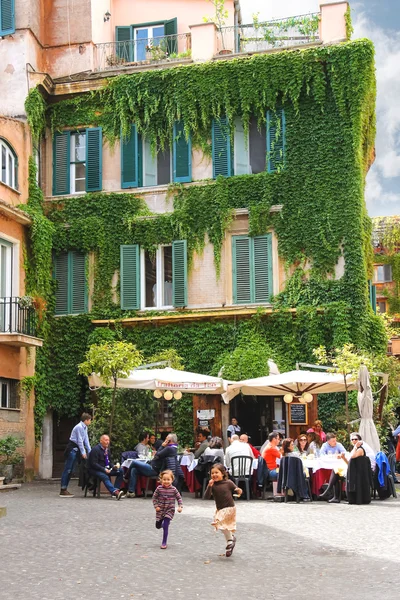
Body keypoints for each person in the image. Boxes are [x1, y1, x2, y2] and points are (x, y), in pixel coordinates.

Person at [204, 464, 242, 557]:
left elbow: (237, 490)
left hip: (229, 508)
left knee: (221, 524)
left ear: (223, 473)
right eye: (212, 473)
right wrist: (209, 486)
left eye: (217, 472)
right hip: (220, 509)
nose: (214, 475)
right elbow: (206, 497)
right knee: (223, 526)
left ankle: (230, 541)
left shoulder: (228, 483)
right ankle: (231, 540)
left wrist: (239, 491)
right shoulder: (213, 485)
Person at [60, 412, 92, 497]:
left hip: (76, 450)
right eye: (90, 420)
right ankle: (63, 489)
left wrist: (90, 451)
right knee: (68, 469)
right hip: (72, 449)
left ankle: (64, 489)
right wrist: (83, 452)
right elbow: (80, 441)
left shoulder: (85, 428)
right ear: (86, 420)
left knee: (71, 470)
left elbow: (86, 440)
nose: (90, 422)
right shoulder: (79, 427)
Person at [152, 469, 183, 550]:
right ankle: (162, 524)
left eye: (168, 479)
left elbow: (179, 498)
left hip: (170, 509)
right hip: (160, 509)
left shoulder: (174, 489)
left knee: (166, 525)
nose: (166, 481)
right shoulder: (159, 489)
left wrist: (180, 506)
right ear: (161, 480)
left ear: (172, 480)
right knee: (158, 526)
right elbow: (154, 498)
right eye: (164, 479)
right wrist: (156, 506)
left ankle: (164, 542)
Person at [87, 434, 124, 500]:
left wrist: (114, 466)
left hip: (106, 468)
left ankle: (116, 489)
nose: (107, 442)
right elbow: (93, 464)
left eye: (108, 440)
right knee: (104, 476)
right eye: (106, 440)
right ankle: (115, 493)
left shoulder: (107, 450)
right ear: (101, 441)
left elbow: (109, 462)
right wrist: (104, 469)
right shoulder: (95, 450)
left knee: (120, 471)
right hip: (95, 469)